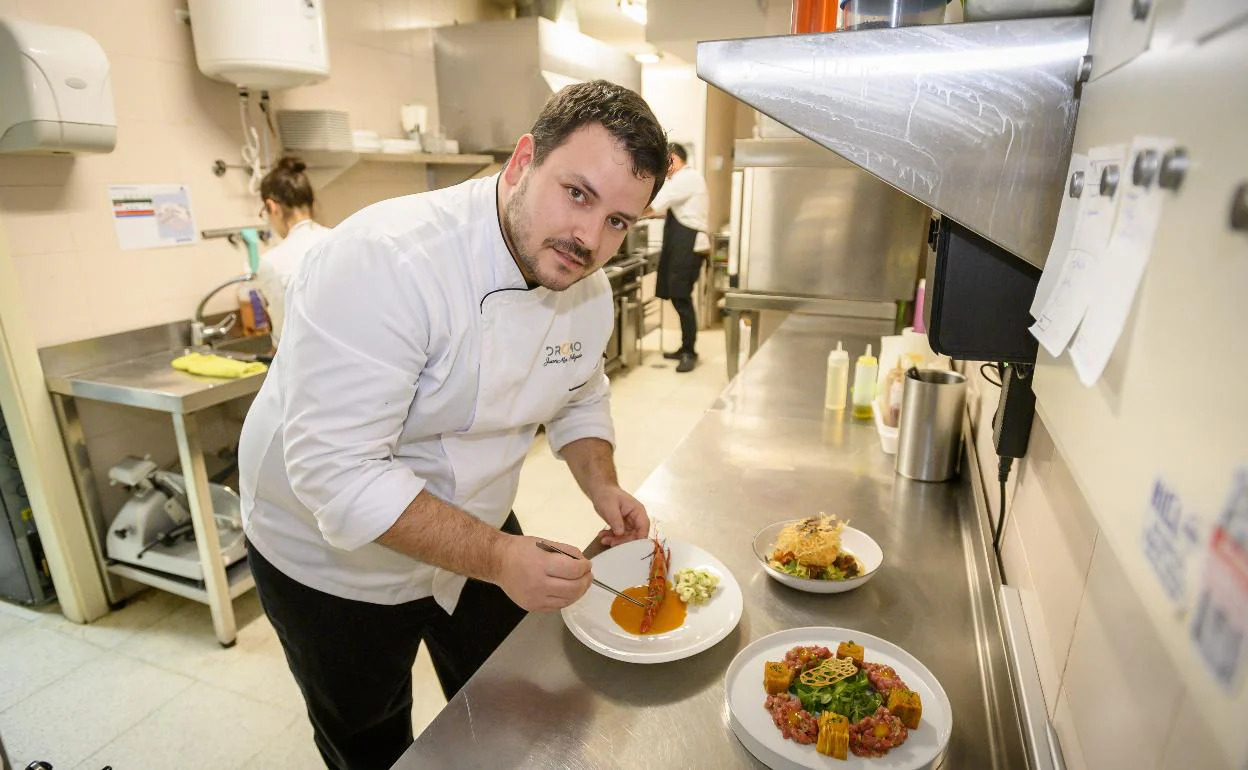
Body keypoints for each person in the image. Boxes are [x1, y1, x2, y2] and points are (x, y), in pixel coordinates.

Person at [236, 81, 669, 770]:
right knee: (372, 737)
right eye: (577, 193)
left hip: (477, 524)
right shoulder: (387, 259)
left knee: (510, 699)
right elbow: (338, 476)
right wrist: (501, 559)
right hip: (333, 561)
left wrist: (601, 486)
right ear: (524, 160)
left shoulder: (583, 289)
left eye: (620, 220)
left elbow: (580, 394)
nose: (590, 238)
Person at [644, 143, 709, 373]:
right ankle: (685, 347)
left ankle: (690, 352)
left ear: (673, 158)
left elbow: (655, 206)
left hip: (689, 246)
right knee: (679, 298)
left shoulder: (686, 178)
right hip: (685, 245)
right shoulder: (688, 179)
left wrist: (627, 214)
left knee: (682, 299)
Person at [253, 155, 330, 344]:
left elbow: (282, 337)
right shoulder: (340, 239)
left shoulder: (272, 262)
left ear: (272, 206)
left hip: (310, 367)